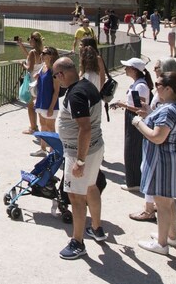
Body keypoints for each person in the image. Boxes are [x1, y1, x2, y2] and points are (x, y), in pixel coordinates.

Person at [51, 57, 106, 259]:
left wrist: (79, 162)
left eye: (56, 76)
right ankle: (97, 228)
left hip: (80, 152)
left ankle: (78, 242)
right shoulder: (88, 85)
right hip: (95, 148)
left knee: (75, 196)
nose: (57, 80)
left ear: (62, 74)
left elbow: (84, 128)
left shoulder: (76, 94)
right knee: (91, 186)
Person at [131, 72, 176, 255]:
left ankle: (161, 243)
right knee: (169, 202)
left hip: (163, 161)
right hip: (174, 159)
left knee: (162, 204)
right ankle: (171, 236)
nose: (155, 87)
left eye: (158, 84)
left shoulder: (168, 109)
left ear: (168, 89)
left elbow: (157, 137)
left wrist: (138, 123)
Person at [130, 57, 176, 222]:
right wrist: (149, 112)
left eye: (157, 67)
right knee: (166, 199)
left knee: (153, 180)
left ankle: (150, 212)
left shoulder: (168, 102)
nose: (154, 70)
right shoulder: (171, 96)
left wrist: (139, 122)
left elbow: (158, 132)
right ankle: (168, 235)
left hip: (159, 147)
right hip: (164, 146)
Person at [110, 58, 152, 192]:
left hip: (135, 118)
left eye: (128, 67)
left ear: (134, 70)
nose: (125, 69)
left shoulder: (140, 86)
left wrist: (122, 104)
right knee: (131, 148)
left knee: (132, 149)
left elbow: (140, 108)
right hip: (131, 117)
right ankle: (133, 180)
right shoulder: (137, 84)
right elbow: (135, 103)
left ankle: (134, 182)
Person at [31, 46, 60, 157]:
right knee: (42, 125)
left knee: (51, 128)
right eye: (41, 53)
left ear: (51, 55)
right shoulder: (43, 67)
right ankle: (43, 149)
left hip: (49, 103)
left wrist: (51, 107)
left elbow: (56, 91)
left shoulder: (54, 71)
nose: (42, 55)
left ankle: (53, 152)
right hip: (41, 101)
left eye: (44, 53)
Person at [17, 32, 44, 134]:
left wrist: (22, 64)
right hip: (38, 80)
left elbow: (30, 67)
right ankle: (36, 126)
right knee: (35, 104)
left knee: (30, 105)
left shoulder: (33, 52)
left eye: (30, 38)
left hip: (32, 81)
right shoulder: (41, 51)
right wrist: (21, 45)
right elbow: (30, 57)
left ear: (34, 40)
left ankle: (33, 128)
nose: (28, 40)